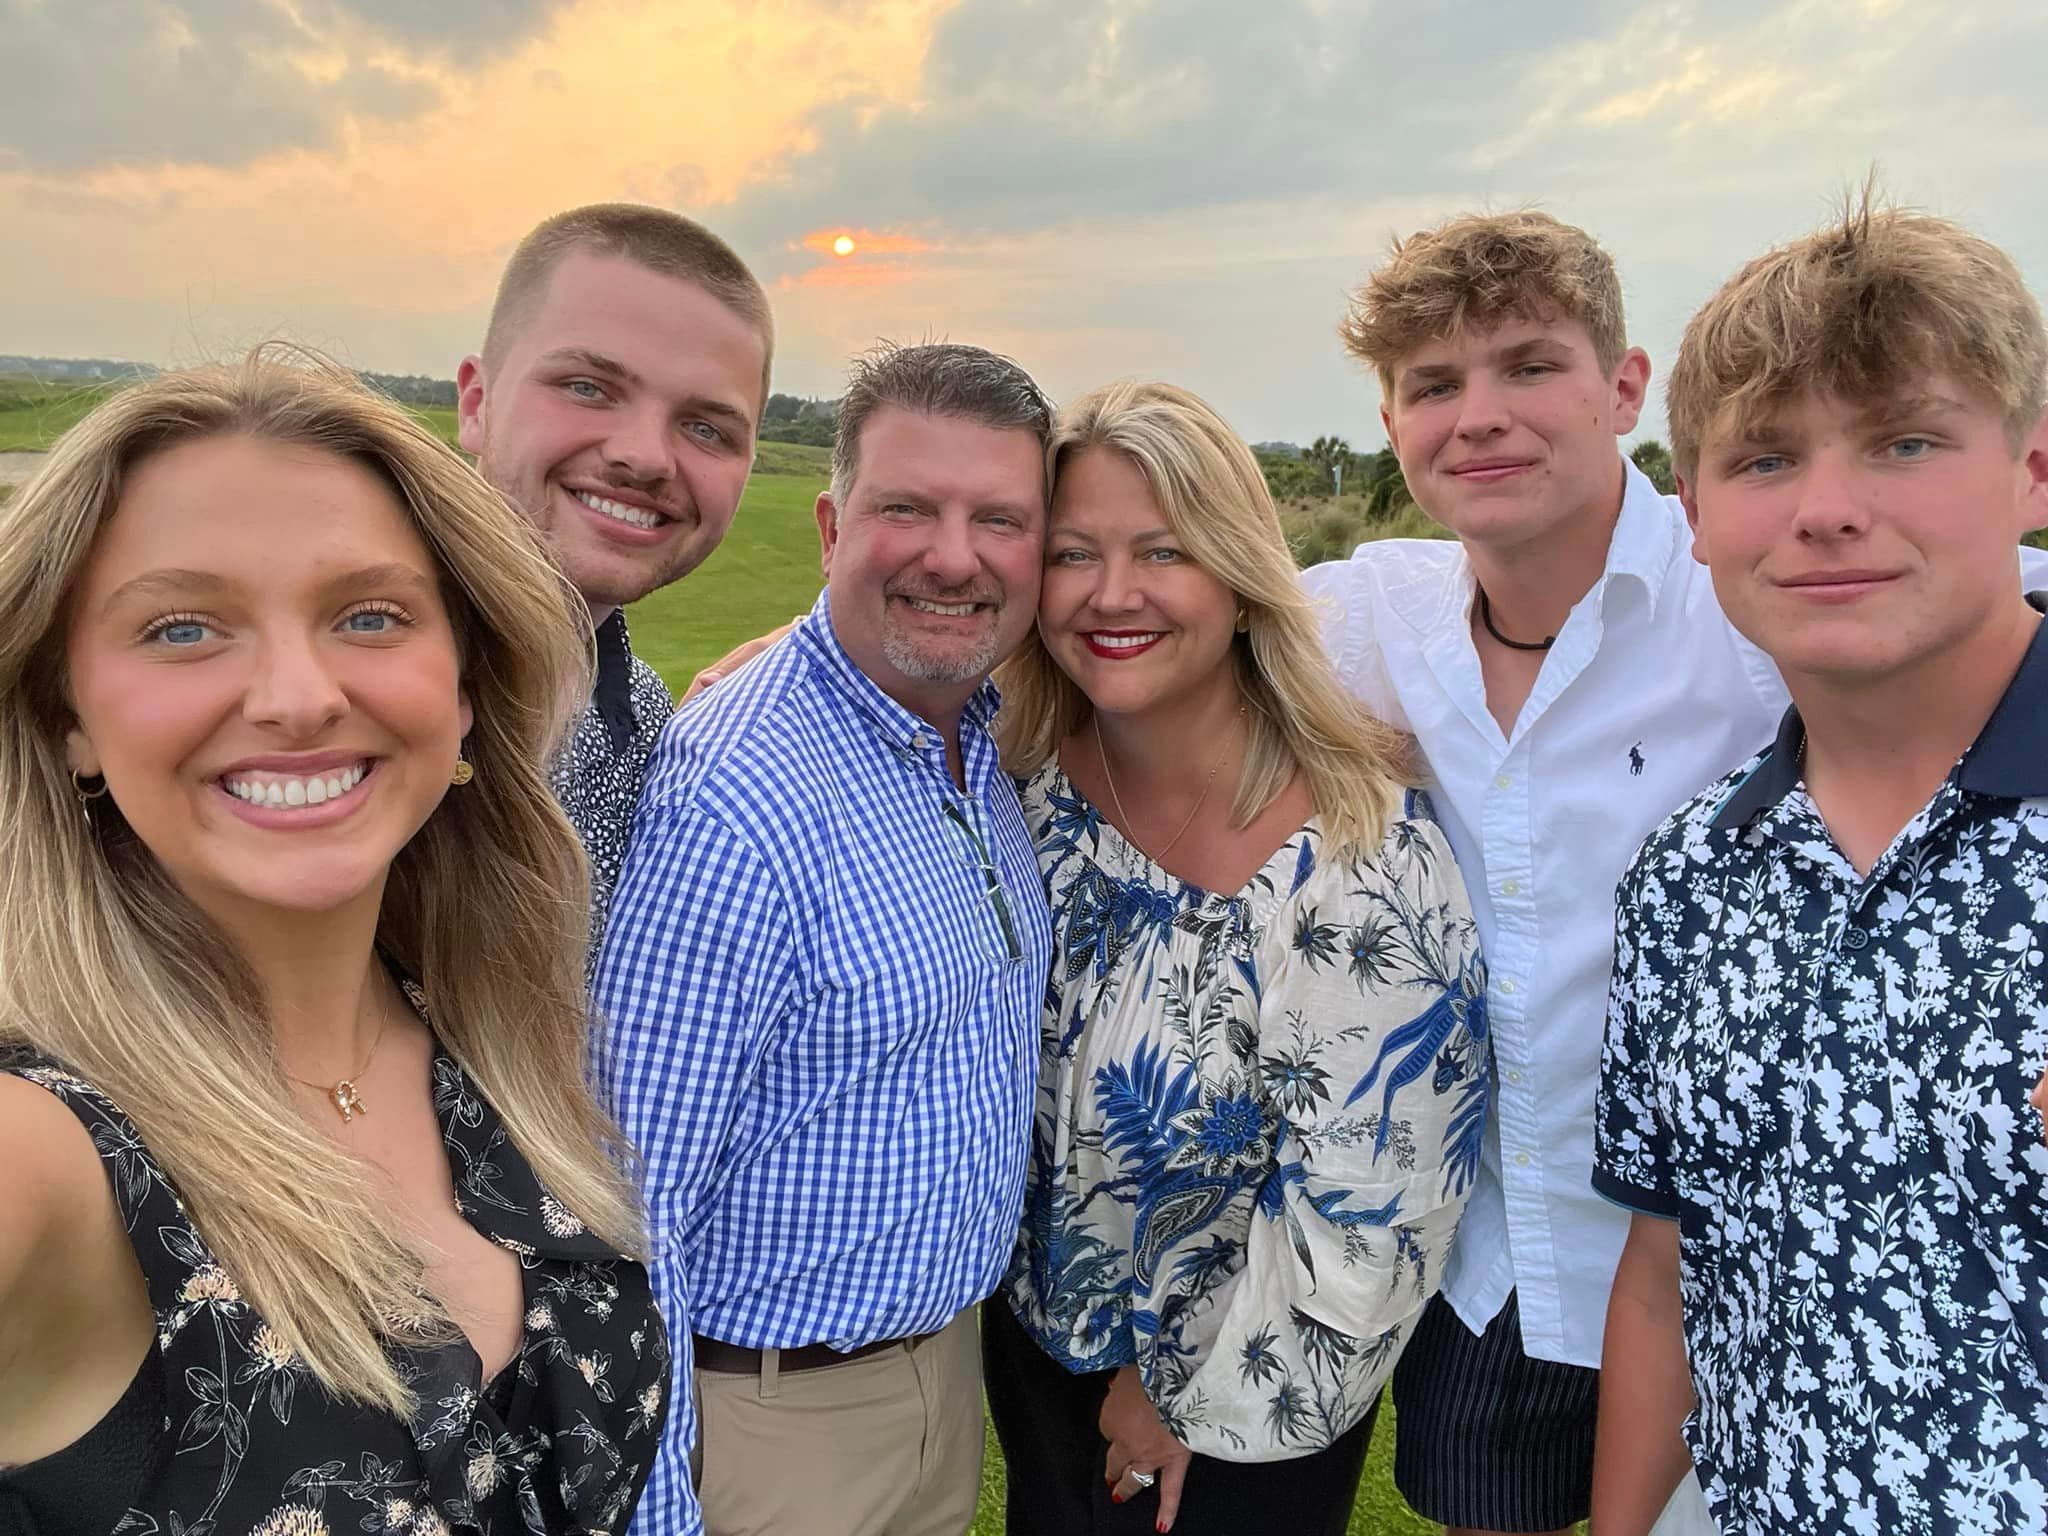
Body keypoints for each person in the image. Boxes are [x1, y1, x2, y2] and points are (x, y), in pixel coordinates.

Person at [1303, 210, 2048, 1536]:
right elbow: (1146, 640)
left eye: (1529, 365)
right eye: (1433, 384)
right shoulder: (1379, 620)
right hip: (1511, 1252)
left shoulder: (1771, 594)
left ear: (1623, 387)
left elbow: (1987, 595)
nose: (1481, 415)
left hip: (1742, 1258)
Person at [0, 350, 668, 1535]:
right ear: (68, 721)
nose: (298, 696)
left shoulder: (482, 1030)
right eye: (183, 627)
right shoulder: (41, 1149)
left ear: (464, 689)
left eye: (369, 616)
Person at [1592, 199, 2048, 1536]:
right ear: (1693, 514)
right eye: (1766, 458)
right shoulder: (1689, 873)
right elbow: (1666, 1271)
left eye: (1905, 441)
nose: (1828, 511)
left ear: (2032, 470)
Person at [985, 380, 1486, 1536]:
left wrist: (1175, 1399)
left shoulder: (1361, 867)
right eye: (1072, 553)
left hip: (1231, 1418)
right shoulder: (1030, 790)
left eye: (1162, 550)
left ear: (1239, 576)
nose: (1111, 593)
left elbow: (1374, 1219)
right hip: (1033, 1352)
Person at [593, 342, 1058, 1536]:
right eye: (906, 508)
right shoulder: (738, 799)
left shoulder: (973, 739)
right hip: (769, 1426)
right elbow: (630, 1203)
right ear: (830, 527)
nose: (952, 556)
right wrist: (658, 1510)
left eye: (998, 519)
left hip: (938, 1383)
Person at [456, 202, 773, 943]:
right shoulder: (346, 679)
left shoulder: (646, 717)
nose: (646, 456)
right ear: (477, 403)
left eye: (705, 428)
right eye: (587, 388)